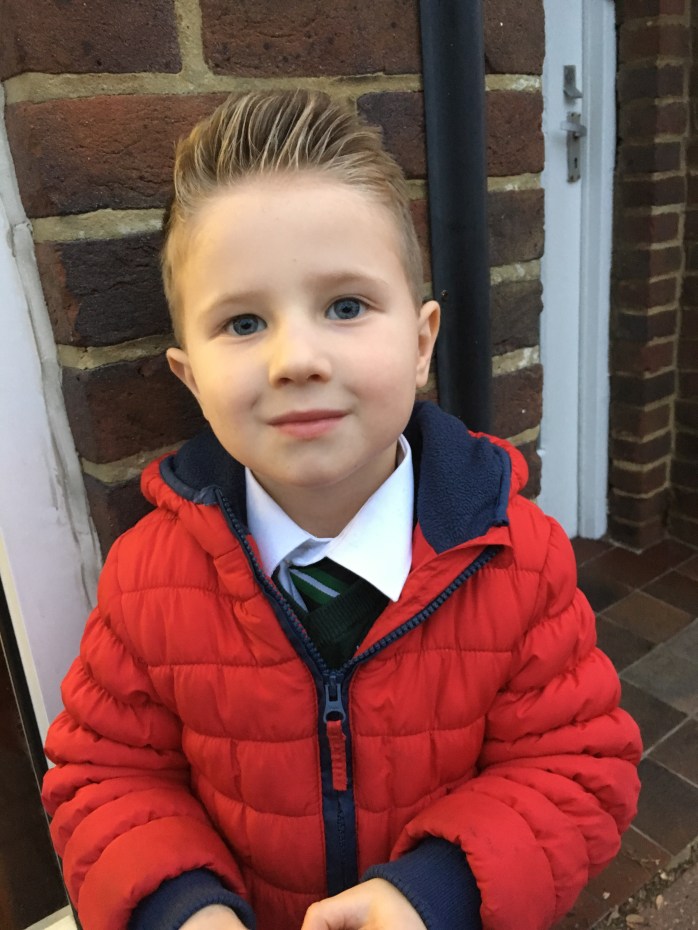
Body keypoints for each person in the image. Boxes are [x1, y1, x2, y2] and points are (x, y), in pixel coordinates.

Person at [42, 90, 641, 930]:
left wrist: (438, 893)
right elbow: (105, 778)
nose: (297, 358)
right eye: (243, 322)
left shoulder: (519, 557)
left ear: (422, 343)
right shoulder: (147, 579)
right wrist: (179, 909)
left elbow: (577, 766)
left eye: (346, 306)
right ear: (191, 380)